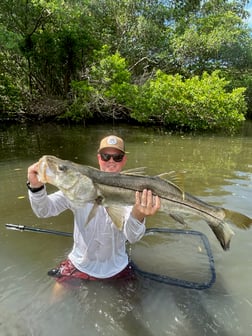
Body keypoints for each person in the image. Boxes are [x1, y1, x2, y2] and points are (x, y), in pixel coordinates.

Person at [27, 135, 161, 285]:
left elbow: (132, 237)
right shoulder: (78, 187)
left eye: (117, 157)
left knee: (135, 304)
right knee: (54, 298)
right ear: (99, 158)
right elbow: (44, 210)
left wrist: (139, 213)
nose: (111, 161)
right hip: (79, 264)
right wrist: (36, 187)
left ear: (124, 160)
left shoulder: (134, 192)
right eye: (106, 156)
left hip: (117, 267)